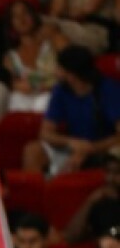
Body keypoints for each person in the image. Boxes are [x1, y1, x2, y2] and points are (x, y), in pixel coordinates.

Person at [23, 45, 120, 176]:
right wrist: (71, 143)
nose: (55, 71)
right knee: (32, 150)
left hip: (103, 148)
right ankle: (34, 194)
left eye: (59, 68)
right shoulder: (60, 90)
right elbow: (45, 133)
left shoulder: (109, 90)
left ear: (71, 75)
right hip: (73, 146)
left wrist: (90, 149)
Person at [3, 0, 65, 115]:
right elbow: (12, 84)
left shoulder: (53, 40)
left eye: (25, 13)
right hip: (26, 98)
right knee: (15, 100)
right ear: (11, 24)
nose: (22, 19)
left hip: (53, 94)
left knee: (45, 102)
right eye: (16, 16)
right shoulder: (10, 57)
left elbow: (72, 64)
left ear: (34, 16)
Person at [64, 154, 120, 242]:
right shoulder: (101, 202)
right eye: (107, 172)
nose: (110, 178)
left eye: (117, 172)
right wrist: (90, 201)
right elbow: (71, 237)